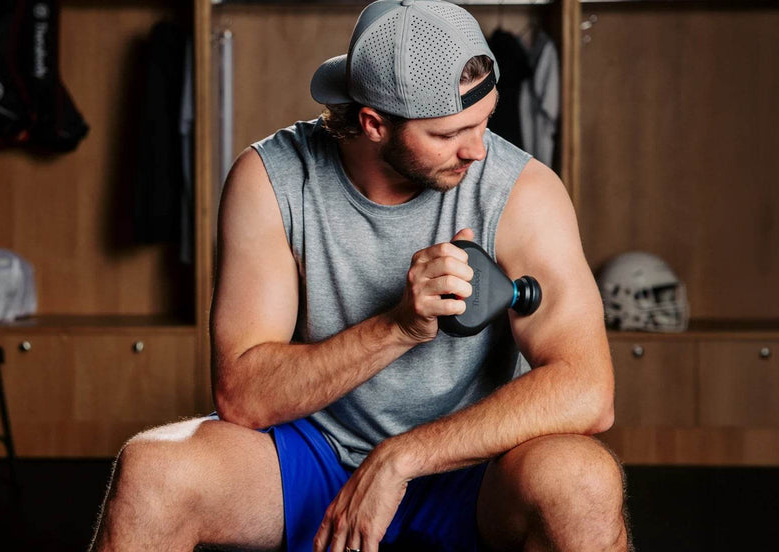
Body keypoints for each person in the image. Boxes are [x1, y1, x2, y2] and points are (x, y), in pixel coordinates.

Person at [91, 1, 626, 550]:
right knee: (152, 474)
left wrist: (404, 457)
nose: (478, 149)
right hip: (316, 455)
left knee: (582, 481)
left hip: (473, 464)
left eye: (484, 120)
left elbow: (588, 388)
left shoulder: (523, 191)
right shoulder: (272, 180)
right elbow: (244, 396)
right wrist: (399, 326)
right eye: (448, 134)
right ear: (373, 123)